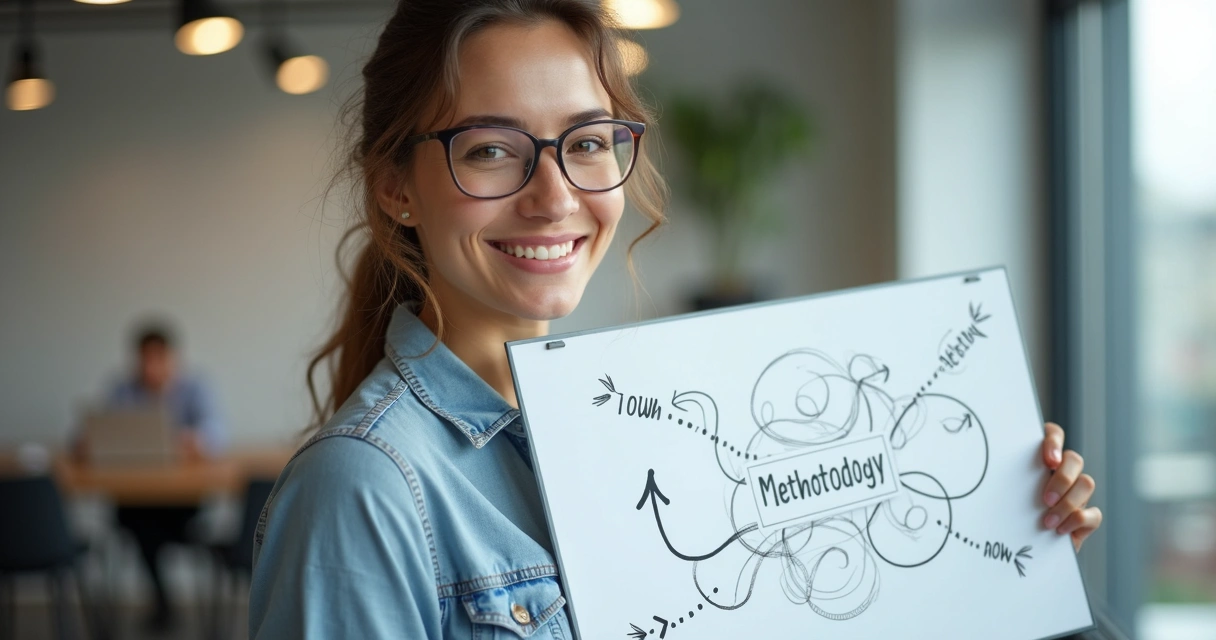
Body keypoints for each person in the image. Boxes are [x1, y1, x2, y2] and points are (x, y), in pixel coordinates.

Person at [248, 1, 1103, 637]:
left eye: (586, 142)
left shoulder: (641, 435)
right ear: (396, 187)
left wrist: (1001, 537)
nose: (554, 198)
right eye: (491, 150)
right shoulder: (362, 489)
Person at [99, 323, 226, 631]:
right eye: (144, 359)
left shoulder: (194, 388)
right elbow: (96, 429)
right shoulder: (122, 390)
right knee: (138, 521)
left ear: (172, 358)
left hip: (181, 501)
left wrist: (193, 440)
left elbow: (218, 432)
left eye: (157, 358)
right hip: (135, 499)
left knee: (145, 530)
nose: (150, 367)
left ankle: (163, 602)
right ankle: (163, 600)